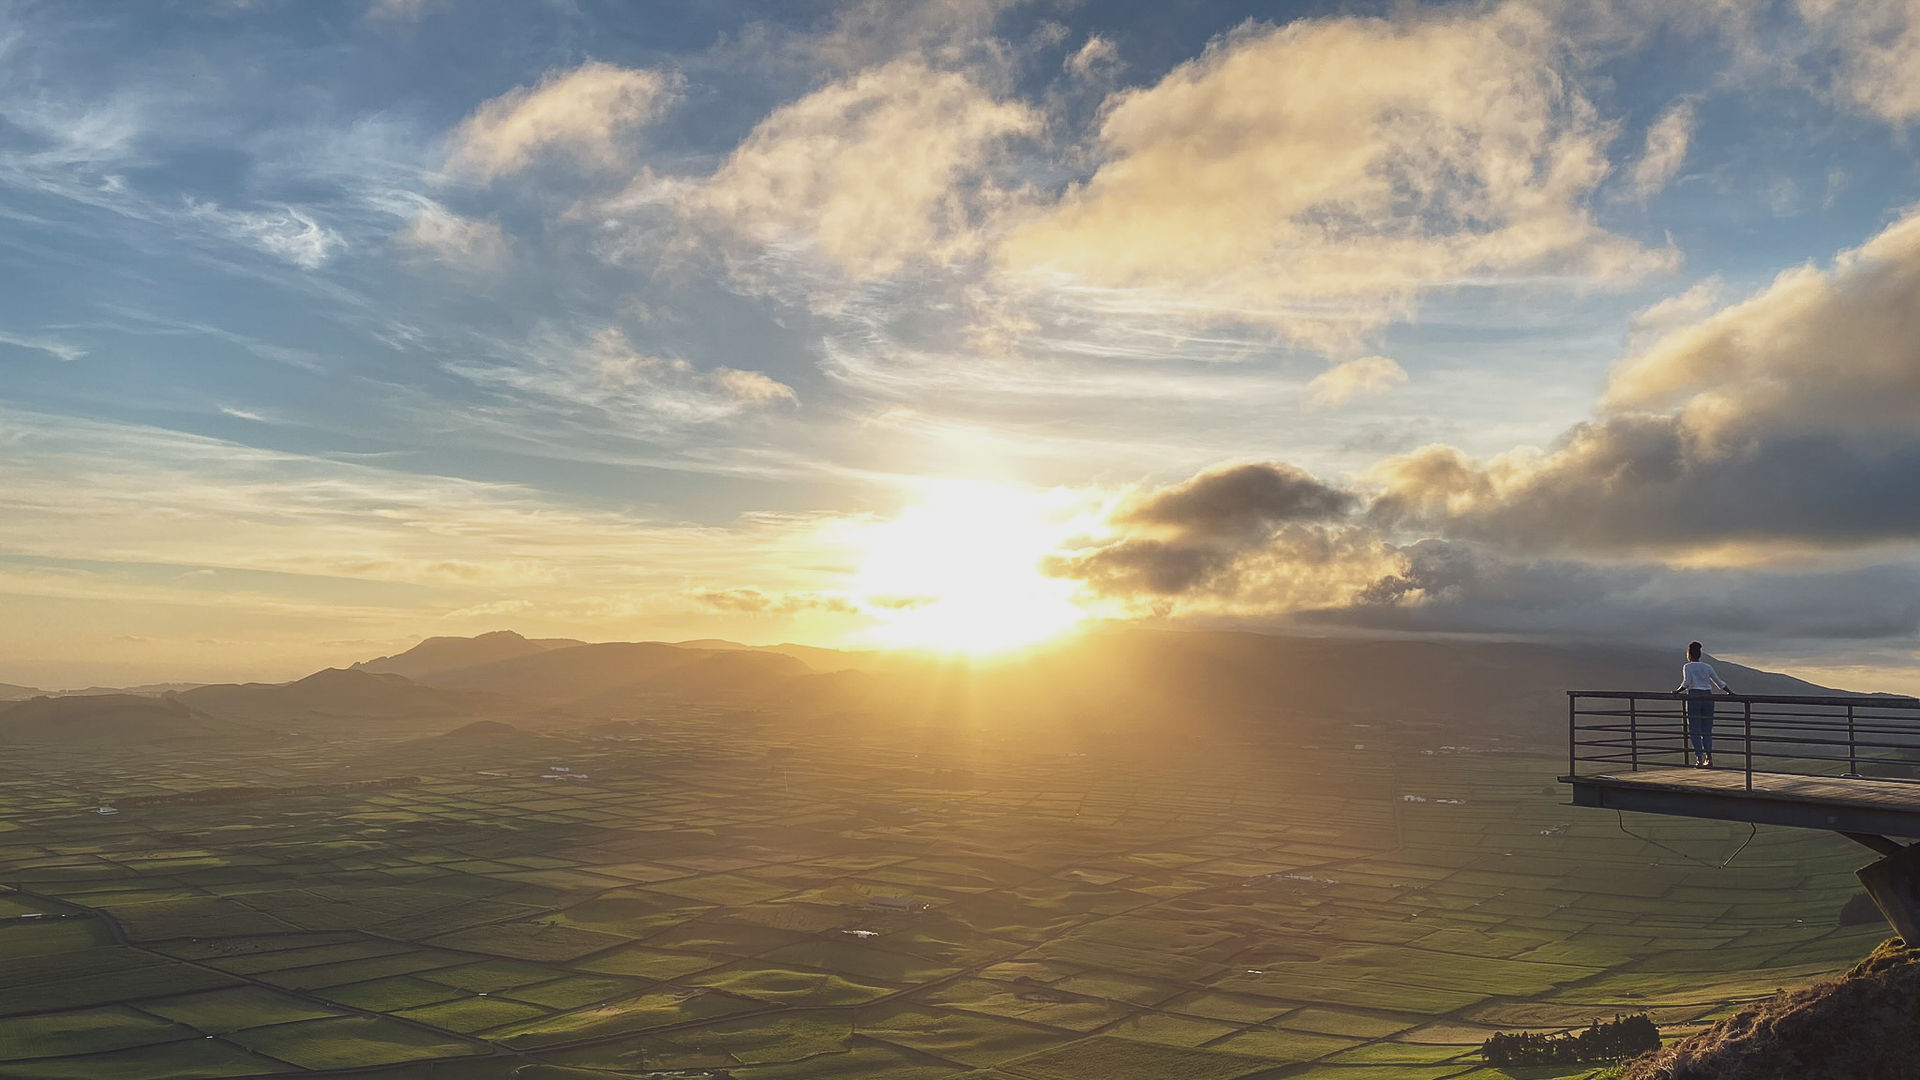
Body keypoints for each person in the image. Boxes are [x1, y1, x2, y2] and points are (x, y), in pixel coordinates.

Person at [1674, 641, 1733, 767]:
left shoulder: (1687, 667)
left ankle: (1699, 759)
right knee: (1707, 729)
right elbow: (1719, 682)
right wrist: (1730, 692)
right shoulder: (1707, 667)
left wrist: (1677, 691)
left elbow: (1687, 682)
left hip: (1694, 697)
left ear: (1689, 654)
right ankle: (1709, 758)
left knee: (1695, 729)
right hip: (1708, 696)